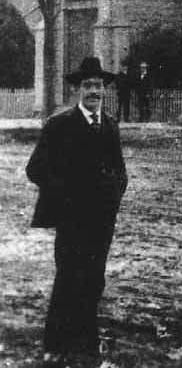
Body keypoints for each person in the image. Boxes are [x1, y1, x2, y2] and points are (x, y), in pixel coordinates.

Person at [26, 57, 128, 367]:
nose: (94, 91)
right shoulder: (59, 125)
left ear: (104, 90)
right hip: (72, 219)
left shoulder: (109, 125)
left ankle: (85, 338)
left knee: (95, 279)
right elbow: (35, 169)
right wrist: (67, 196)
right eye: (88, 85)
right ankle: (56, 342)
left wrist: (113, 195)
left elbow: (121, 172)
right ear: (77, 90)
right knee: (69, 276)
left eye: (98, 86)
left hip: (102, 220)